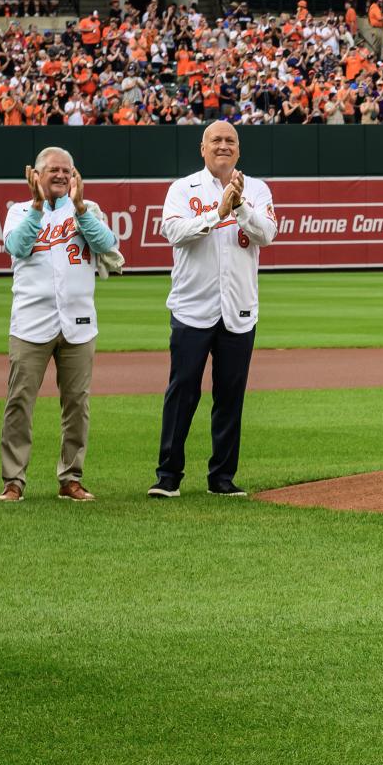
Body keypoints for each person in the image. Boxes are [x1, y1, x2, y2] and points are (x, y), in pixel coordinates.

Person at [153, 121, 276, 499]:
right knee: (183, 392)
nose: (223, 146)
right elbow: (174, 232)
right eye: (216, 140)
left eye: (230, 141)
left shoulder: (255, 189)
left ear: (238, 150)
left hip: (238, 309)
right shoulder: (183, 188)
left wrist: (238, 207)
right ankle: (168, 477)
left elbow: (267, 235)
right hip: (192, 307)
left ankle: (222, 477)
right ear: (202, 148)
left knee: (230, 396)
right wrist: (216, 213)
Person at [0, 147, 118, 503]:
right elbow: (18, 247)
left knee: (76, 404)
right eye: (53, 170)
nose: (62, 176)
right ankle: (14, 481)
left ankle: (71, 478)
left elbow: (107, 244)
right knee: (19, 402)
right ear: (36, 175)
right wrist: (37, 208)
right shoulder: (18, 211)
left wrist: (80, 209)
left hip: (78, 324)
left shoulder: (86, 210)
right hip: (30, 322)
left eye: (67, 170)